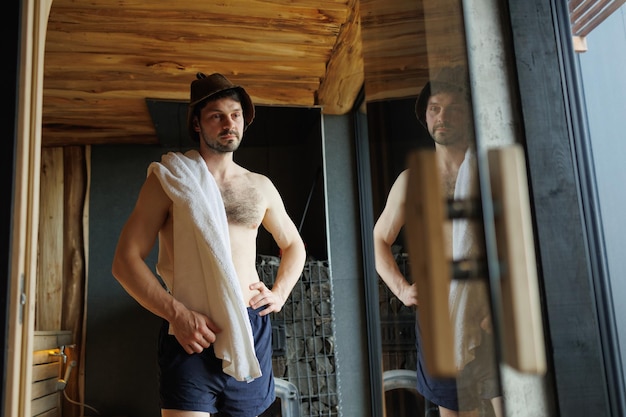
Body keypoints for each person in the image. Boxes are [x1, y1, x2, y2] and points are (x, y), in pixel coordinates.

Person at [111, 72, 307, 417]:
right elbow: (125, 261)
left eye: (236, 114)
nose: (229, 123)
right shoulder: (171, 180)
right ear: (198, 125)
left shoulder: (259, 185)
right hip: (191, 330)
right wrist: (177, 314)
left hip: (249, 325)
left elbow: (294, 245)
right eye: (217, 115)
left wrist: (279, 293)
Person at [372, 66, 503, 417]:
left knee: (514, 406)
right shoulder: (412, 181)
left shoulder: (490, 172)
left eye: (454, 108)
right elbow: (378, 241)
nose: (443, 116)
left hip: (493, 308)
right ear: (425, 117)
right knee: (455, 411)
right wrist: (401, 289)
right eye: (435, 109)